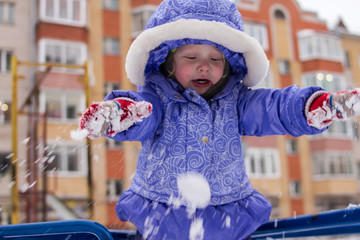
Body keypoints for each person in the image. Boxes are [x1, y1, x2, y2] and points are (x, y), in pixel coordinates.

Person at [79, 0, 360, 239]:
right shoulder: (156, 99)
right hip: (164, 219)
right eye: (191, 56)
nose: (205, 66)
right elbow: (142, 114)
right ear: (168, 61)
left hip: (228, 220)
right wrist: (119, 114)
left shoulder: (237, 101)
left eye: (216, 59)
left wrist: (317, 106)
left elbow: (273, 107)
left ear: (228, 66)